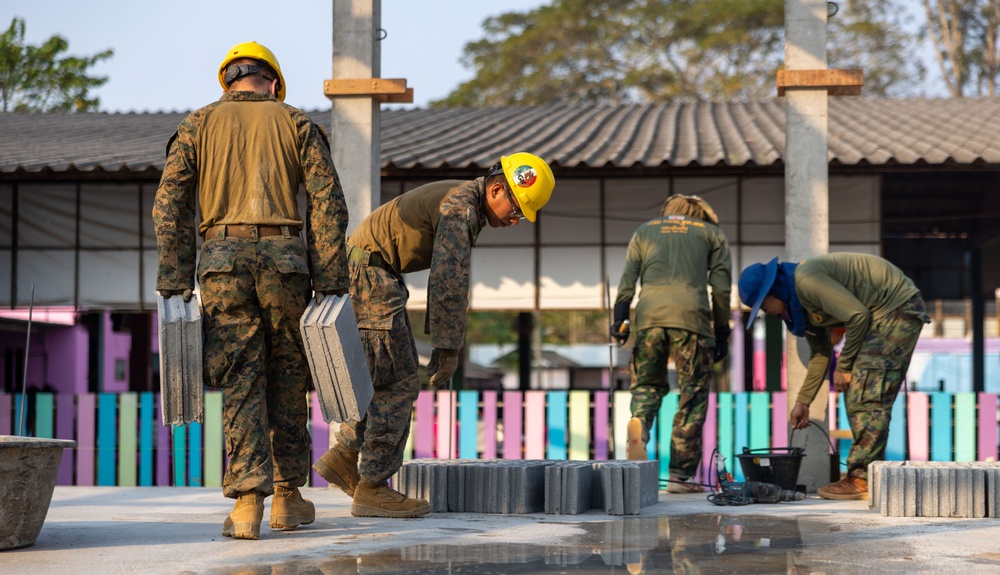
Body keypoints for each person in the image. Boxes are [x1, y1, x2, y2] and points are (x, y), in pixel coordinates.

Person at [153, 41, 350, 539]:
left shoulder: (197, 124)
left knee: (241, 376)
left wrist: (175, 278)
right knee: (288, 375)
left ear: (227, 81)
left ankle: (246, 503)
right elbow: (327, 204)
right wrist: (329, 280)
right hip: (286, 260)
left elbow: (169, 205)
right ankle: (287, 497)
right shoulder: (297, 122)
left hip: (221, 261)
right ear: (274, 82)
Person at [312, 154, 555, 517]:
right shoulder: (461, 209)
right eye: (516, 210)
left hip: (370, 272)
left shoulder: (462, 201)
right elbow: (448, 279)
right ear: (497, 187)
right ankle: (373, 487)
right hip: (372, 276)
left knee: (379, 376)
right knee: (399, 383)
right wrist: (448, 345)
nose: (515, 221)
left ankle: (345, 456)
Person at [738, 253, 930, 501]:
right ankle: (863, 475)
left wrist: (845, 366)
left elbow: (857, 316)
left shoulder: (806, 283)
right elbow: (821, 353)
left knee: (866, 391)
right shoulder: (799, 304)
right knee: (861, 388)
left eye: (764, 306)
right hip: (878, 314)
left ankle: (862, 478)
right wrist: (803, 402)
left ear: (773, 293)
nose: (767, 312)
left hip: (894, 306)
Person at [611, 194, 732, 493]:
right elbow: (720, 287)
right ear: (699, 213)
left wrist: (620, 319)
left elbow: (628, 279)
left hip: (650, 317)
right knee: (692, 395)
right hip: (692, 319)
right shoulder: (712, 234)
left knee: (647, 384)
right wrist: (722, 331)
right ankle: (680, 476)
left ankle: (639, 422)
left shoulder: (645, 230)